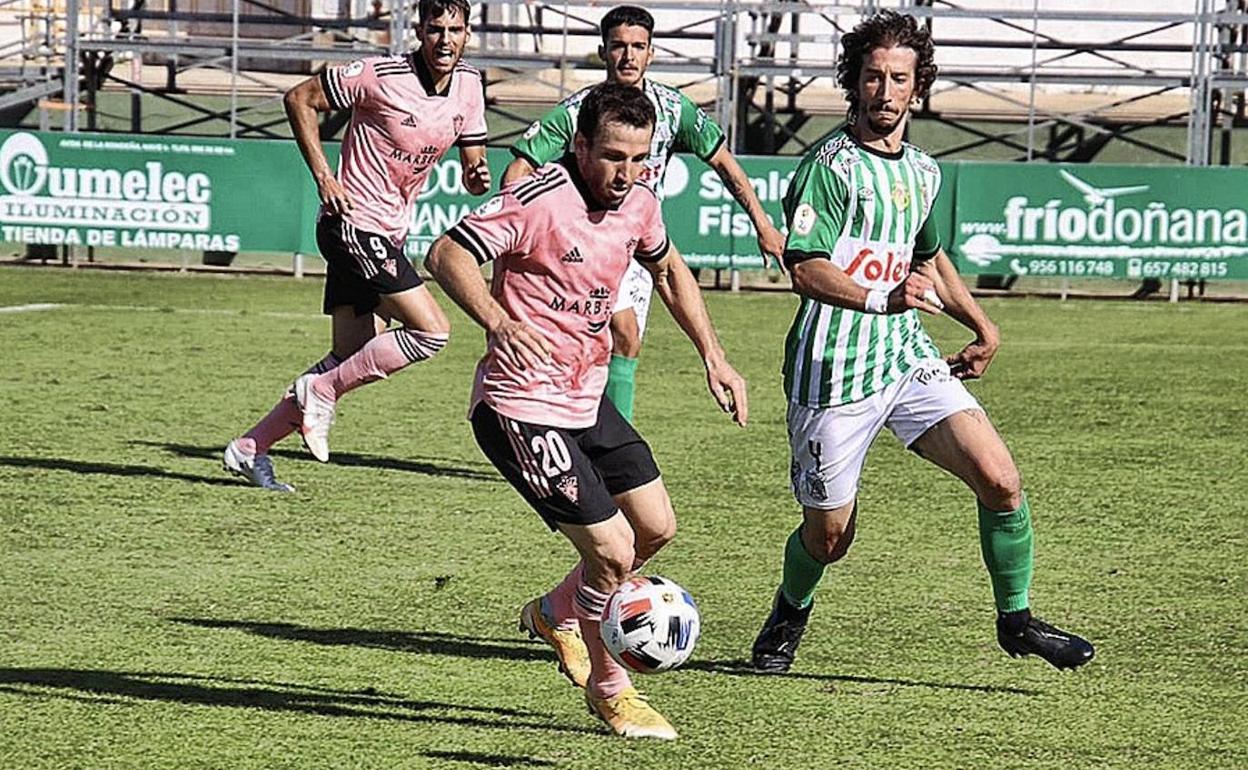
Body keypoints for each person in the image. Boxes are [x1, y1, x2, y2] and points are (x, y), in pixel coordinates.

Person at [750, 11, 1095, 674]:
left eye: (898, 78)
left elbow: (929, 260)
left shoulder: (923, 173)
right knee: (829, 540)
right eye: (873, 76)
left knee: (1000, 480)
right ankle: (790, 611)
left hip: (906, 358)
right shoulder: (829, 166)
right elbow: (803, 264)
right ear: (854, 81)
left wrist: (982, 325)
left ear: (918, 87)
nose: (885, 90)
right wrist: (881, 297)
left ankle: (1016, 620)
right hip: (832, 372)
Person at [426, 83, 748, 739]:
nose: (625, 174)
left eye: (638, 159)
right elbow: (446, 253)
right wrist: (495, 319)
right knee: (612, 552)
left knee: (654, 528)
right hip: (519, 406)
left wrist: (714, 355)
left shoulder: (641, 204)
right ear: (579, 146)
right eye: (611, 157)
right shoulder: (537, 201)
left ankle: (555, 612)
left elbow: (670, 271)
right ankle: (612, 692)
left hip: (584, 396)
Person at [222, 0, 490, 490]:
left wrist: (476, 174)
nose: (445, 40)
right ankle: (319, 392)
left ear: (468, 34)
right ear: (419, 31)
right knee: (432, 333)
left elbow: (474, 162)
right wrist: (324, 174)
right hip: (351, 225)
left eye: (455, 30)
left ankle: (250, 447)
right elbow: (299, 98)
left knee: (352, 354)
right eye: (435, 29)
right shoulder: (378, 74)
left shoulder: (471, 85)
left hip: (389, 233)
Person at [501, 5, 784, 424]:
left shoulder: (672, 109)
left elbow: (724, 162)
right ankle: (599, 447)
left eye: (638, 47)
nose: (628, 56)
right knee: (622, 333)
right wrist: (527, 231)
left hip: (639, 245)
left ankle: (605, 443)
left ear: (652, 54)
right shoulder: (580, 111)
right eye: (618, 46)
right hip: (587, 242)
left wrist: (763, 224)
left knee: (625, 347)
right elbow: (518, 169)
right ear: (603, 52)